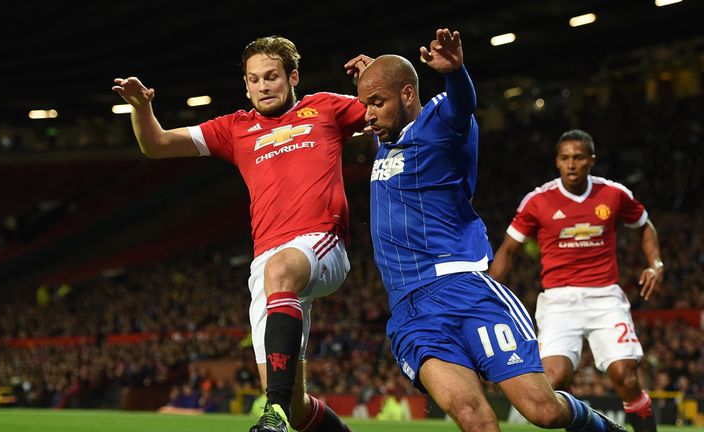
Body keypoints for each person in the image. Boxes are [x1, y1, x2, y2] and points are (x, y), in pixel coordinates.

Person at [347, 28, 627, 432]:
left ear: (408, 95)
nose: (368, 114)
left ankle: (601, 427)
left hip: (463, 289)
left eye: (377, 103)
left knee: (543, 411)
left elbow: (462, 105)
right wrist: (375, 75)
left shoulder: (440, 124)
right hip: (410, 311)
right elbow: (390, 107)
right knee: (473, 417)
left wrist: (456, 73)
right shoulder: (387, 141)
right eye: (365, 104)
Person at [113, 35, 367, 432]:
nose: (264, 86)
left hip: (321, 242)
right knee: (296, 405)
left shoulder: (325, 108)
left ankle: (273, 414)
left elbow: (390, 111)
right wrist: (142, 108)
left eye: (272, 76)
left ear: (292, 76)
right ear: (246, 85)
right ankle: (285, 411)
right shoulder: (234, 128)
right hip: (267, 262)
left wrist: (375, 78)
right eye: (255, 79)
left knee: (281, 276)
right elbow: (157, 144)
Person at [489, 128, 663, 432]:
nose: (571, 164)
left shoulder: (613, 194)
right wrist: (487, 296)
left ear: (591, 161)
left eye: (579, 158)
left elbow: (644, 226)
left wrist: (656, 263)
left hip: (605, 297)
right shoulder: (538, 201)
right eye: (565, 158)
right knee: (552, 381)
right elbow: (507, 250)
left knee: (626, 377)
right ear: (557, 162)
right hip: (558, 302)